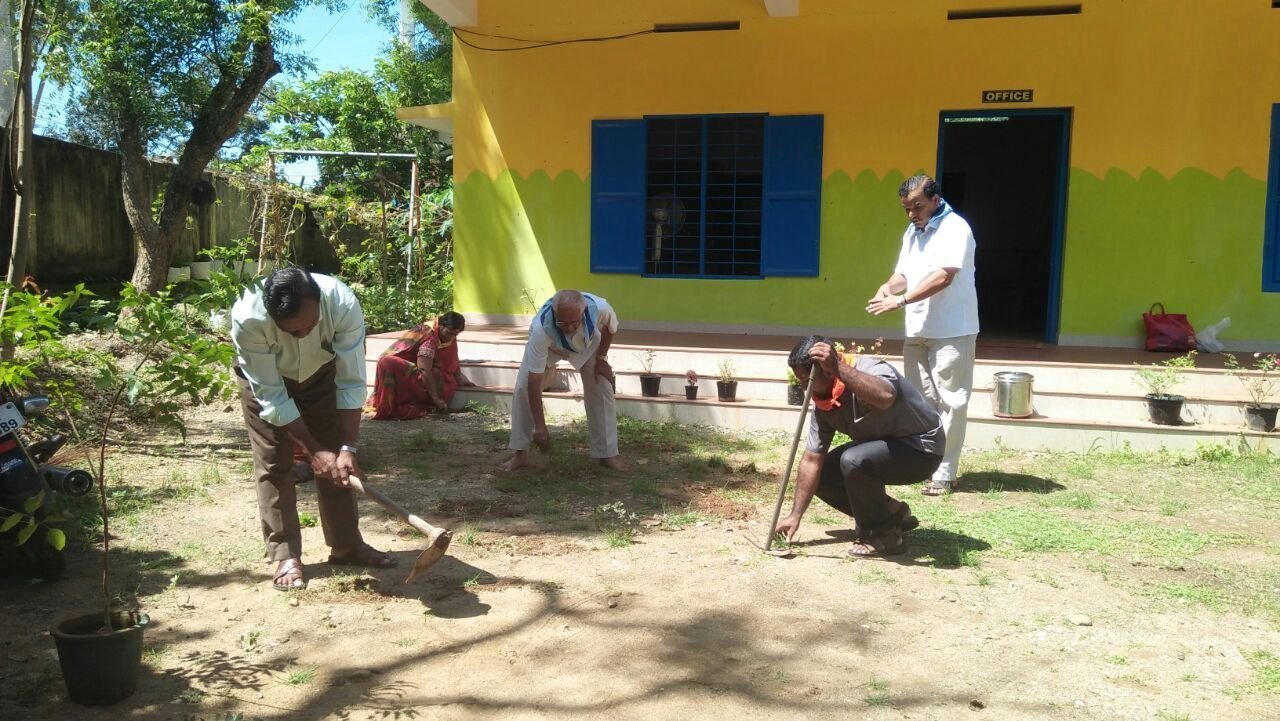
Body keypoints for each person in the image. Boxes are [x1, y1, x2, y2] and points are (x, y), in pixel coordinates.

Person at [231, 267, 396, 591]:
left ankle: (346, 545)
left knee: (337, 462)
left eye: (309, 326)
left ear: (319, 303)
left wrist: (347, 447)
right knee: (274, 462)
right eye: (291, 331)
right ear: (271, 315)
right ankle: (286, 555)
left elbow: (351, 381)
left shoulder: (341, 303)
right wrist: (312, 450)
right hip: (265, 383)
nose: (302, 335)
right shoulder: (247, 317)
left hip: (322, 375)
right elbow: (273, 397)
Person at [773, 335, 944, 557]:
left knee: (854, 460)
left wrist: (838, 367)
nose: (805, 389)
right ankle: (893, 514)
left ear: (827, 371)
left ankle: (883, 537)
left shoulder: (870, 368)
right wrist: (795, 515)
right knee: (823, 475)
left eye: (808, 381)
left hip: (921, 449)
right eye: (801, 382)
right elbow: (811, 460)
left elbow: (885, 396)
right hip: (883, 450)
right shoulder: (823, 405)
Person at [866, 174, 978, 496]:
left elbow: (944, 276)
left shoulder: (955, 228)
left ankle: (945, 472)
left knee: (952, 401)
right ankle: (925, 464)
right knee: (920, 401)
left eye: (917, 206)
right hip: (917, 329)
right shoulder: (912, 233)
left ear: (935, 200)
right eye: (906, 208)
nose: (912, 214)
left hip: (952, 328)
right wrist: (887, 287)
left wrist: (900, 301)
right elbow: (904, 274)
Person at [499, 289, 626, 472]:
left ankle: (607, 454)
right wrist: (540, 426)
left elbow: (611, 328)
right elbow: (534, 381)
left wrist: (601, 359)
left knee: (602, 385)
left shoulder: (601, 308)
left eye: (574, 321)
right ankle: (520, 453)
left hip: (586, 343)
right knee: (522, 388)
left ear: (583, 312)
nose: (568, 327)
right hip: (551, 347)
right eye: (562, 321)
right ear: (554, 312)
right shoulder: (541, 329)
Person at [368, 311, 476, 420]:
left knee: (437, 374)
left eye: (455, 334)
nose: (451, 337)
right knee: (387, 362)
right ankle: (391, 404)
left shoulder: (448, 335)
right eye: (449, 333)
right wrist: (436, 399)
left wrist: (459, 378)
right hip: (415, 372)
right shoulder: (429, 339)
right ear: (441, 326)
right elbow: (424, 370)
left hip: (434, 374)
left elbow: (452, 359)